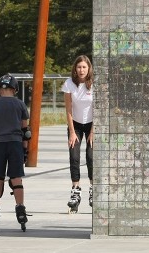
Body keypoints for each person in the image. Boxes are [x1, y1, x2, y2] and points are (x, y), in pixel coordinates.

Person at [0, 74, 31, 232]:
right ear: (15, 89)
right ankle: (20, 210)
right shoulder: (20, 105)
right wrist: (25, 150)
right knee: (16, 177)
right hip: (16, 144)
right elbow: (26, 131)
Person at [61, 55, 94, 212]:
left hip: (92, 125)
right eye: (79, 67)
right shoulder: (69, 84)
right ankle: (76, 190)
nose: (81, 70)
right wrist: (72, 132)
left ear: (89, 69)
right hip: (76, 125)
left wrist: (93, 132)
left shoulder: (94, 84)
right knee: (74, 156)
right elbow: (68, 109)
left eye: (84, 67)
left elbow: (98, 109)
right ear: (75, 69)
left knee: (91, 156)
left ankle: (94, 189)